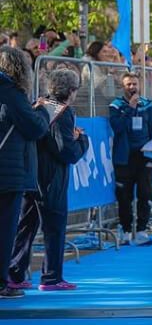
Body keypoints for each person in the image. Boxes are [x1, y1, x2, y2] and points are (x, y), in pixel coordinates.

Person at [8, 68, 89, 291]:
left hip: (31, 174)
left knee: (26, 225)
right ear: (71, 91)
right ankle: (51, 277)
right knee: (54, 226)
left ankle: (15, 273)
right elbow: (67, 151)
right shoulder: (63, 112)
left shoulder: (38, 104)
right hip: (51, 177)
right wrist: (83, 140)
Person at [0, 46, 51, 299]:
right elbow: (34, 128)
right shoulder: (11, 92)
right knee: (6, 228)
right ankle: (2, 283)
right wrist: (42, 110)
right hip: (9, 172)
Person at [109, 71, 152, 246]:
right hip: (124, 158)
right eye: (129, 84)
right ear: (123, 86)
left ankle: (142, 230)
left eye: (135, 84)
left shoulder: (148, 105)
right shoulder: (116, 106)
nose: (132, 87)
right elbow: (117, 127)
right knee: (124, 195)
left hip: (145, 156)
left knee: (146, 192)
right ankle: (126, 230)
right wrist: (130, 108)